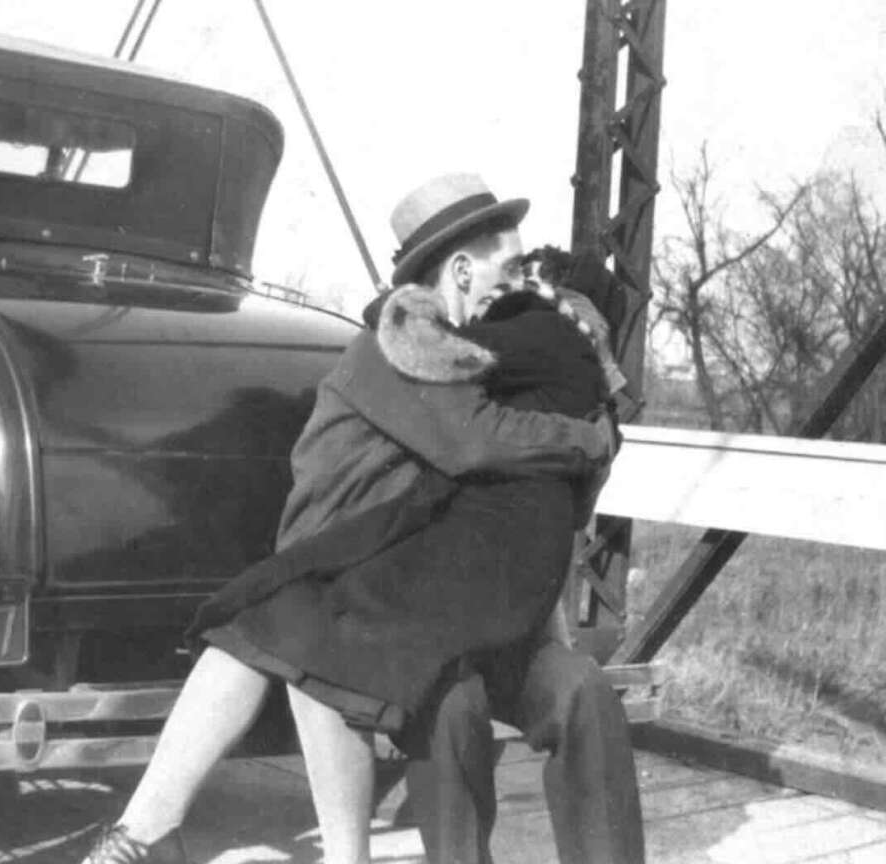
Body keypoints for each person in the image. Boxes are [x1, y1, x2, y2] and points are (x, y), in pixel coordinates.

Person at [81, 173, 618, 864]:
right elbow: (478, 440)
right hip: (338, 550)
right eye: (508, 268)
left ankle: (147, 834)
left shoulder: (461, 347)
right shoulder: (399, 346)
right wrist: (590, 440)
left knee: (259, 636)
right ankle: (164, 835)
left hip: (389, 559)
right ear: (459, 269)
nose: (518, 286)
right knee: (278, 635)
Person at [403, 248, 645, 864]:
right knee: (451, 707)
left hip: (512, 631)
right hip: (428, 632)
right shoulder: (425, 368)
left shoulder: (558, 383)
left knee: (583, 688)